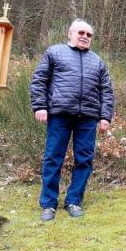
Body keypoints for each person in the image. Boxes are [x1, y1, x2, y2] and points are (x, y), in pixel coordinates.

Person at [30, 19, 114, 222]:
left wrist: (105, 116)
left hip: (87, 118)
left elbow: (106, 90)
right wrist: (40, 106)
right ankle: (49, 204)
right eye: (81, 32)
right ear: (70, 33)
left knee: (84, 160)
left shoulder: (97, 61)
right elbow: (39, 80)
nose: (85, 36)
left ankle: (73, 201)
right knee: (53, 158)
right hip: (59, 114)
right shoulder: (54, 52)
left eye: (89, 34)